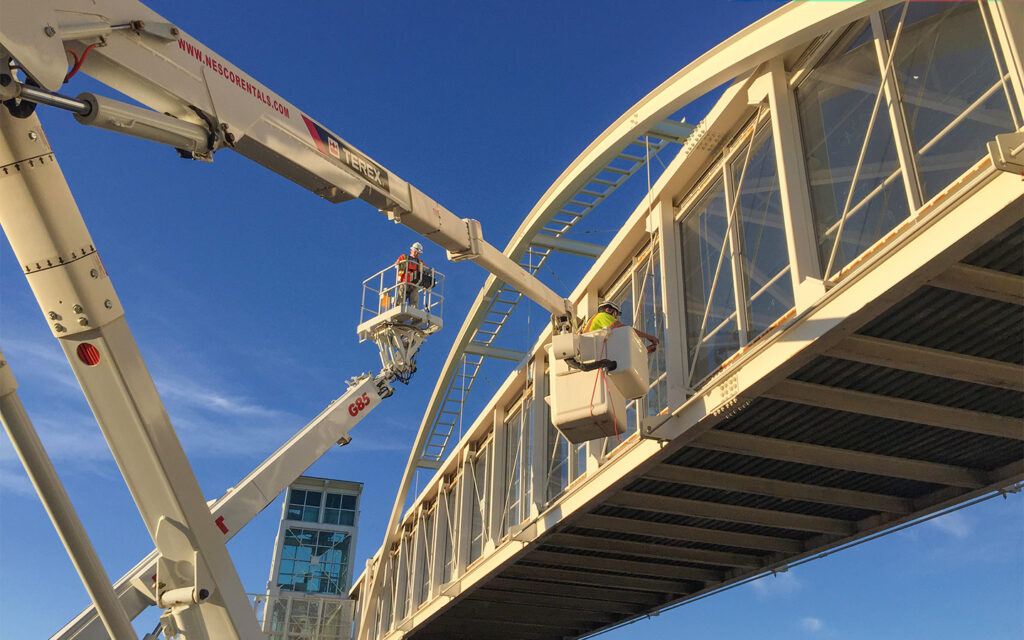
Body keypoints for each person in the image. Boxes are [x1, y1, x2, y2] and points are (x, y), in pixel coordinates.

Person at [584, 300, 659, 353]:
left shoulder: (594, 320)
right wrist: (649, 337)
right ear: (608, 310)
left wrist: (643, 352)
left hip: (592, 350)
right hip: (594, 350)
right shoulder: (602, 315)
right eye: (615, 314)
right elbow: (625, 330)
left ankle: (642, 352)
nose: (616, 318)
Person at [396, 242, 426, 307]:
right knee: (401, 299)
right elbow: (397, 263)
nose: (416, 254)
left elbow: (425, 271)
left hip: (414, 283)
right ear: (411, 250)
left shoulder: (420, 263)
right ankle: (399, 307)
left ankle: (414, 312)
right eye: (415, 251)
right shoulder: (404, 257)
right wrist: (398, 263)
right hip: (404, 281)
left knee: (414, 302)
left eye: (418, 253)